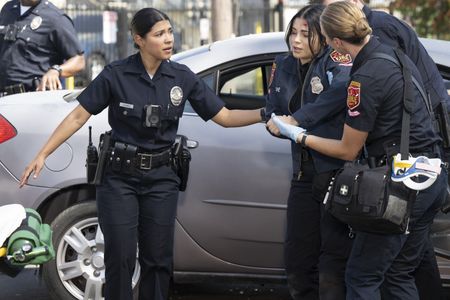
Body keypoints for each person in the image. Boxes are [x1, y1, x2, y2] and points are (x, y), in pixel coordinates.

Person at [18, 7, 264, 300]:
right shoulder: (116, 74)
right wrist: (43, 153)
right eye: (159, 34)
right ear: (139, 39)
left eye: (170, 32)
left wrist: (265, 113)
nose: (168, 39)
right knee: (119, 258)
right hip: (119, 178)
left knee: (157, 260)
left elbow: (224, 116)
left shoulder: (182, 77)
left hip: (162, 179)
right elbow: (77, 116)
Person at [271, 2, 447, 299]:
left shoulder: (363, 79)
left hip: (404, 185)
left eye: (325, 38)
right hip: (430, 176)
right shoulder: (391, 53)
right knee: (399, 273)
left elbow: (346, 150)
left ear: (336, 41)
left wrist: (299, 136)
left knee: (361, 277)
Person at [264, 4, 352, 299]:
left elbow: (338, 95)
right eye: (293, 32)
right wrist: (277, 123)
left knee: (333, 265)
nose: (296, 40)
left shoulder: (336, 60)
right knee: (297, 261)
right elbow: (274, 110)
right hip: (302, 173)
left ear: (324, 37)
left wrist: (297, 120)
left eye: (306, 34)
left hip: (336, 174)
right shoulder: (284, 64)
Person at [0, 0, 85, 95]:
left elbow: (79, 61)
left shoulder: (56, 18)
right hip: (4, 97)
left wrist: (56, 70)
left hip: (34, 96)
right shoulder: (8, 9)